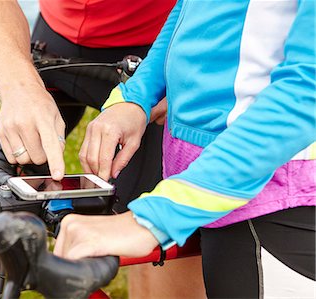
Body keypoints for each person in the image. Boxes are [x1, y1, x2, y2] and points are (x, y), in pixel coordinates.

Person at [54, 0, 316, 298]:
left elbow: (307, 92)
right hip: (206, 183)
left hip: (272, 201)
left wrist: (153, 220)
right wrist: (137, 95)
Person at [0, 1, 206, 298]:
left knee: (154, 234)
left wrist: (202, 68)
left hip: (157, 40)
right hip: (59, 32)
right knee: (7, 196)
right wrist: (18, 85)